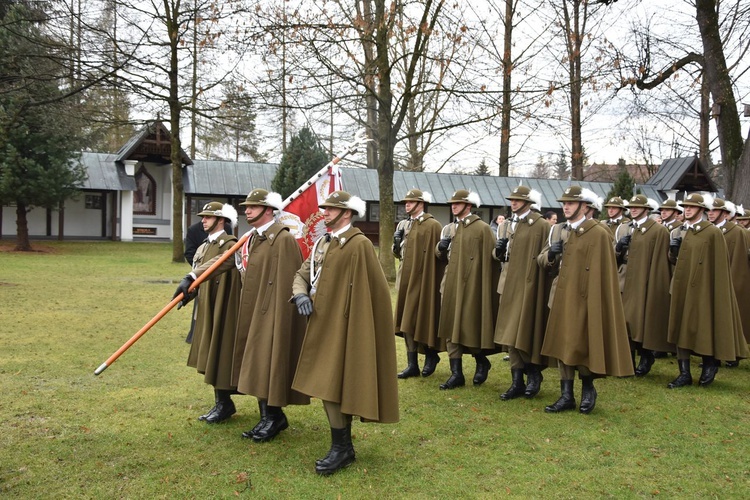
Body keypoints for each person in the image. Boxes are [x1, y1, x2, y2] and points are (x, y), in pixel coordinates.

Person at [291, 190, 398, 476]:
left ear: (346, 213)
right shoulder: (322, 244)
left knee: (335, 383)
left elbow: (370, 292)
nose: (324, 213)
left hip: (346, 326)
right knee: (329, 384)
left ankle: (342, 448)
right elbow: (302, 274)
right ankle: (343, 446)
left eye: (330, 209)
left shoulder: (359, 245)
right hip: (321, 323)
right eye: (324, 208)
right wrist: (301, 295)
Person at [538, 186, 633, 414]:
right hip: (560, 295)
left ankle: (588, 388)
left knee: (583, 343)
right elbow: (543, 261)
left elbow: (605, 271)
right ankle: (566, 394)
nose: (566, 206)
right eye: (564, 203)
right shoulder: (559, 231)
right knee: (563, 344)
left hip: (585, 298)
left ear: (585, 206)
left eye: (571, 203)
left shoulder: (599, 233)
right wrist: (551, 255)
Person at [228, 188, 311, 442]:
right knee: (255, 361)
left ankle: (274, 417)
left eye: (252, 207)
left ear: (268, 209)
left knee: (269, 361)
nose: (247, 210)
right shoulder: (255, 238)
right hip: (253, 309)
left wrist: (277, 317)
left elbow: (288, 280)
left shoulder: (282, 239)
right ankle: (266, 416)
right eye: (246, 207)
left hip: (273, 312)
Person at [666, 193, 748, 388]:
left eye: (692, 207)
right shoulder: (685, 231)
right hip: (683, 286)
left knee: (703, 326)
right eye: (685, 206)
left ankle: (709, 364)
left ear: (702, 209)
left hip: (703, 289)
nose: (687, 209)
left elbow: (718, 266)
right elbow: (681, 261)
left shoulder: (712, 232)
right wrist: (675, 252)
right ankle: (684, 373)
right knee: (680, 325)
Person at [173, 202, 242, 423]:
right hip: (206, 303)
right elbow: (201, 274)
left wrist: (192, 277)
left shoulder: (230, 244)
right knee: (208, 351)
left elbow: (221, 264)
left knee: (219, 352)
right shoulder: (204, 246)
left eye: (208, 217)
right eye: (203, 217)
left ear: (221, 220)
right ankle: (222, 403)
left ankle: (225, 404)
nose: (203, 220)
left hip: (223, 304)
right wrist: (188, 293)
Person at [435, 189, 499, 390]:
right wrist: (441, 248)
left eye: (457, 203)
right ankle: (457, 373)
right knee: (449, 326)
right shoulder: (451, 228)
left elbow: (491, 260)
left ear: (468, 206)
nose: (453, 206)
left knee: (469, 325)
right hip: (451, 282)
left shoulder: (483, 229)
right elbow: (441, 256)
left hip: (471, 285)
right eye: (452, 203)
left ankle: (481, 360)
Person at [493, 186, 551, 400]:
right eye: (512, 200)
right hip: (507, 283)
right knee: (509, 334)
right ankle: (516, 381)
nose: (513, 203)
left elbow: (546, 257)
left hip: (528, 284)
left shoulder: (541, 225)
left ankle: (533, 373)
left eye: (518, 200)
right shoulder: (507, 225)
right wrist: (498, 250)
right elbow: (500, 255)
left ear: (529, 202)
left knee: (524, 330)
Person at [615, 195, 674, 376]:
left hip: (643, 278)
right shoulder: (623, 228)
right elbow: (612, 256)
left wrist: (654, 284)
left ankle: (646, 354)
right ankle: (628, 360)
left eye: (637, 207)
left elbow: (660, 262)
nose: (633, 209)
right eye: (631, 206)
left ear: (646, 209)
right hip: (624, 276)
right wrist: (618, 248)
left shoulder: (658, 230)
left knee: (639, 321)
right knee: (623, 320)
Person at [392, 189, 446, 378]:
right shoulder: (404, 224)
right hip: (405, 279)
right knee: (406, 320)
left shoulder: (433, 225)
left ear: (421, 203)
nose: (406, 204)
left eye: (411, 201)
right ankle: (412, 363)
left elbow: (439, 256)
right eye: (406, 201)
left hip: (424, 280)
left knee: (423, 317)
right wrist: (396, 244)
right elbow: (400, 254)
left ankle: (431, 354)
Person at [705, 196, 750, 365]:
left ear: (725, 213)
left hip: (729, 282)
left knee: (729, 320)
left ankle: (732, 355)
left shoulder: (737, 232)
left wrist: (732, 284)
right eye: (709, 210)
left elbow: (738, 261)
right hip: (711, 282)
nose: (710, 214)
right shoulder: (708, 230)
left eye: (715, 210)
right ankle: (713, 355)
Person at [183, 220, 208, 344]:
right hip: (199, 274)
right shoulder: (193, 230)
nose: (205, 220)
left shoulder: (226, 229)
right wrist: (197, 271)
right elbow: (189, 253)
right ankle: (195, 334)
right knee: (199, 305)